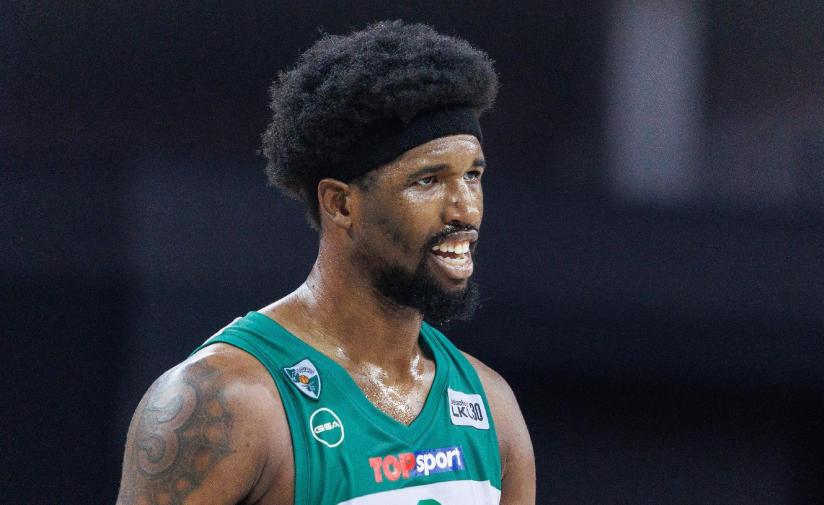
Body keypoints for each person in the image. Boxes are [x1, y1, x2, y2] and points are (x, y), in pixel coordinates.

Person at [116, 20, 535, 505]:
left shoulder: (492, 408)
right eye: (428, 181)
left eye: (473, 175)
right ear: (340, 204)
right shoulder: (225, 403)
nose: (465, 209)